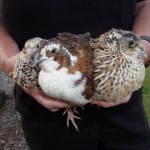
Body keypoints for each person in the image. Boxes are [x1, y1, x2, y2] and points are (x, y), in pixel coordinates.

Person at [0, 0, 150, 149]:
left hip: (122, 102)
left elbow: (145, 3)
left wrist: (142, 45)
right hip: (44, 113)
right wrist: (8, 60)